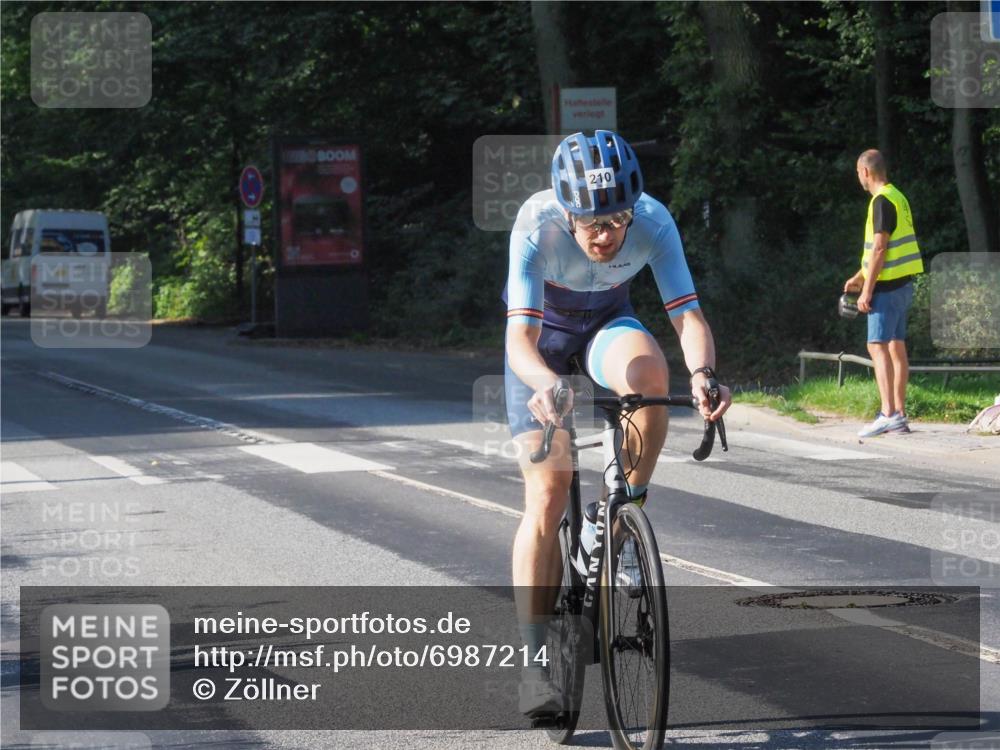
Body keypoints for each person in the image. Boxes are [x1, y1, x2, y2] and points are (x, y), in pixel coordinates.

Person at [504, 130, 731, 716]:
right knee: (548, 496)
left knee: (652, 376)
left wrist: (703, 375)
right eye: (591, 224)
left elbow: (688, 318)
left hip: (607, 325)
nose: (605, 235)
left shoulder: (654, 221)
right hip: (541, 352)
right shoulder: (536, 225)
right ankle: (533, 668)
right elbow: (519, 341)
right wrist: (547, 385)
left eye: (616, 220)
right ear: (566, 212)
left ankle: (623, 511)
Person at [843, 149, 924, 438]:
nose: (858, 178)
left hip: (886, 289)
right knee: (895, 347)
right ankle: (899, 415)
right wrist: (859, 275)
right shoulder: (897, 197)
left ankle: (887, 413)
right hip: (903, 285)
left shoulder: (879, 202)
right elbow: (879, 252)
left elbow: (880, 248)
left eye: (858, 173)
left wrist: (867, 290)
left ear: (865, 172)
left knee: (876, 346)